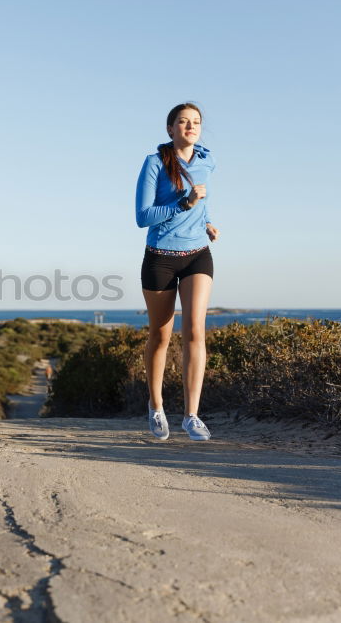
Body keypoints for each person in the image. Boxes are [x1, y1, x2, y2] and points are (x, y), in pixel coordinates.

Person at [134, 103, 221, 441]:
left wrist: (206, 220)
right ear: (170, 129)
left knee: (196, 331)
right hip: (161, 257)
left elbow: (205, 197)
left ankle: (191, 416)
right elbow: (143, 216)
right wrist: (182, 205)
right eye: (183, 122)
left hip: (198, 254)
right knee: (160, 335)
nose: (191, 126)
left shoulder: (207, 160)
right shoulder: (155, 163)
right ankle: (156, 408)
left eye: (196, 122)